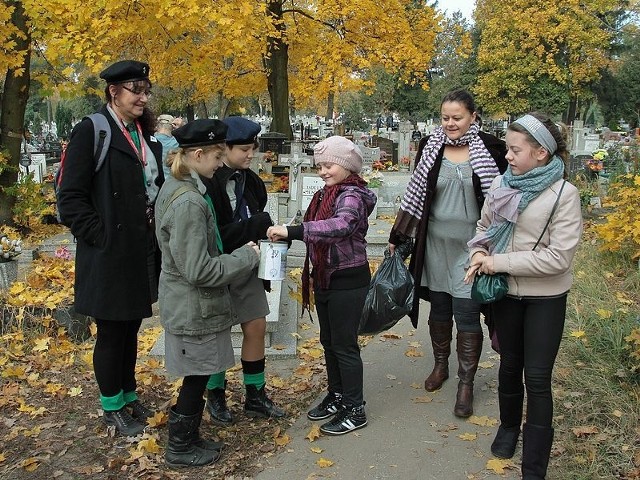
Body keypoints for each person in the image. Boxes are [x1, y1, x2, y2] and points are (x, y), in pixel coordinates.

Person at [464, 113, 582, 479]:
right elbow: (483, 228)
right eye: (509, 150)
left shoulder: (564, 194)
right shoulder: (502, 183)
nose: (508, 157)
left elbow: (558, 258)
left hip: (545, 298)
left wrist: (498, 262)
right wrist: (478, 254)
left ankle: (535, 461)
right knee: (509, 366)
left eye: (515, 150)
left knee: (538, 377)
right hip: (506, 296)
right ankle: (509, 427)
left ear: (541, 153)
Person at [57, 60, 164, 436]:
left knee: (131, 326)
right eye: (136, 90)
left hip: (140, 249)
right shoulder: (92, 130)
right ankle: (112, 405)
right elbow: (69, 198)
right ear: (113, 92)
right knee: (111, 331)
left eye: (146, 90)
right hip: (108, 252)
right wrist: (100, 236)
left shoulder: (143, 134)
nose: (143, 97)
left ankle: (128, 394)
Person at [387, 89, 507, 418]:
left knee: (467, 313)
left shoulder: (492, 150)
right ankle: (441, 366)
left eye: (457, 117)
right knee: (439, 310)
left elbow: (503, 200)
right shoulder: (430, 147)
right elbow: (415, 196)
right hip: (435, 245)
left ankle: (466, 383)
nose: (450, 123)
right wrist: (398, 236)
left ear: (473, 117)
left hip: (474, 249)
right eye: (445, 117)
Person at [154, 119, 261, 467]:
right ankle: (180, 446)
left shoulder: (185, 186)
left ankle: (190, 436)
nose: (219, 164)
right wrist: (245, 256)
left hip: (193, 304)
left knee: (198, 374)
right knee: (197, 375)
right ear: (197, 154)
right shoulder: (188, 202)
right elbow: (199, 270)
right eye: (216, 156)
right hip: (192, 305)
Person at [267, 136, 376, 435]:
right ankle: (338, 395)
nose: (323, 171)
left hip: (348, 279)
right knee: (329, 342)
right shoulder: (323, 195)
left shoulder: (352, 194)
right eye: (320, 166)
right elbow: (311, 226)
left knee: (345, 345)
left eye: (329, 165)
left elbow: (341, 225)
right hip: (325, 276)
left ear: (346, 165)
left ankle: (355, 408)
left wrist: (294, 231)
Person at [200, 116, 284, 424]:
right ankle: (216, 393)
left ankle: (255, 395)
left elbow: (256, 220)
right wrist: (255, 225)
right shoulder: (209, 181)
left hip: (248, 263)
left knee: (255, 325)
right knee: (217, 332)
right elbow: (217, 235)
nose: (251, 155)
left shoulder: (253, 181)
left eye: (253, 148)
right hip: (219, 266)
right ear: (224, 148)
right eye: (245, 149)